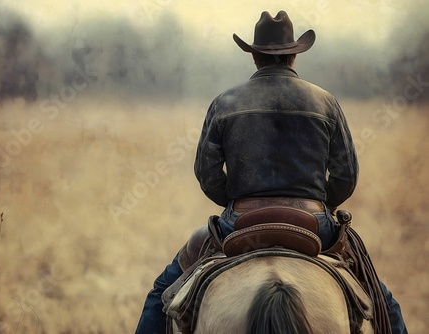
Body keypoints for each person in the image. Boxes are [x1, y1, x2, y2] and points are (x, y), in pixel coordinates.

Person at [135, 10, 407, 334]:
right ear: (294, 54)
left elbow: (206, 174)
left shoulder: (225, 102)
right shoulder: (325, 102)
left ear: (254, 56)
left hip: (239, 223)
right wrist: (322, 204)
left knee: (161, 292)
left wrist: (235, 199)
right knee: (381, 300)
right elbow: (346, 176)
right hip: (313, 224)